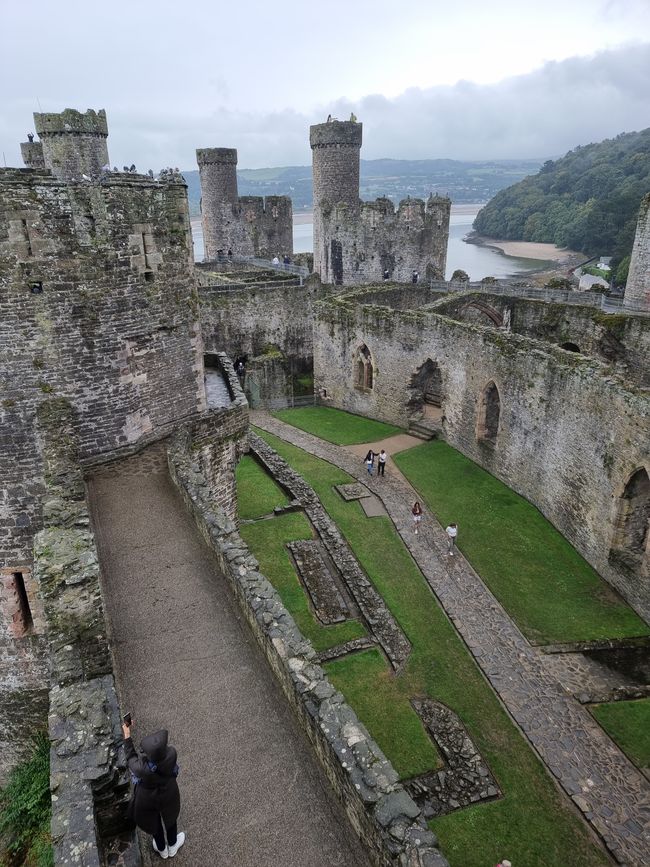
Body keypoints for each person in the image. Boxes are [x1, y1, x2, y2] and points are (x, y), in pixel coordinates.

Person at [122, 719, 185, 859]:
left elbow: (131, 756)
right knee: (170, 818)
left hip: (147, 799)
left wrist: (127, 734)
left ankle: (162, 849)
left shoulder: (141, 770)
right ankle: (173, 846)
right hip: (169, 793)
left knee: (154, 822)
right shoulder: (172, 755)